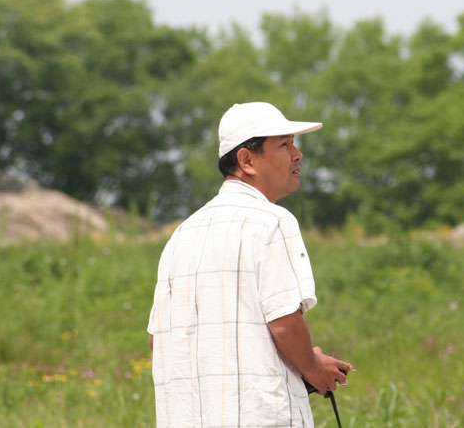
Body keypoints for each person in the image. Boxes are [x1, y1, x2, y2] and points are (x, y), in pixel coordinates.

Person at [147, 101, 353, 427]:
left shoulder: (182, 234)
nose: (297, 154)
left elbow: (158, 339)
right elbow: (284, 323)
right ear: (246, 160)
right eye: (284, 144)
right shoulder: (272, 221)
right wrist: (314, 368)